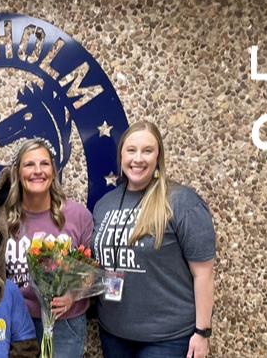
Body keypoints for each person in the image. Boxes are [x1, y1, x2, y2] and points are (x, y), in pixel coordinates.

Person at [91, 121, 216, 358]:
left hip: (167, 339)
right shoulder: (104, 205)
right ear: (121, 156)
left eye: (147, 151)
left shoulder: (181, 202)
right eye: (131, 150)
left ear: (158, 156)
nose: (138, 158)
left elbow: (204, 274)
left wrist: (202, 333)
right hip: (113, 333)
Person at [3, 138, 94, 358]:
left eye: (44, 164)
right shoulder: (2, 217)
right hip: (14, 323)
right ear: (17, 172)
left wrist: (72, 294)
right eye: (29, 164)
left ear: (53, 170)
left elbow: (91, 271)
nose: (37, 171)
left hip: (64, 324)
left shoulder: (77, 215)